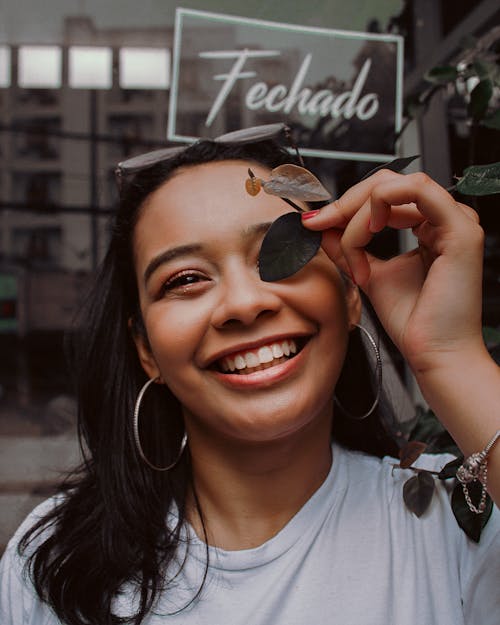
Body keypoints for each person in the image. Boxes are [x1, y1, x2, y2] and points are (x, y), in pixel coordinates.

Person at [0, 124, 499, 625]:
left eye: (278, 254)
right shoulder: (52, 560)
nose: (243, 304)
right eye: (186, 279)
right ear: (145, 348)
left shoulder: (462, 514)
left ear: (350, 295)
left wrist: (450, 355)